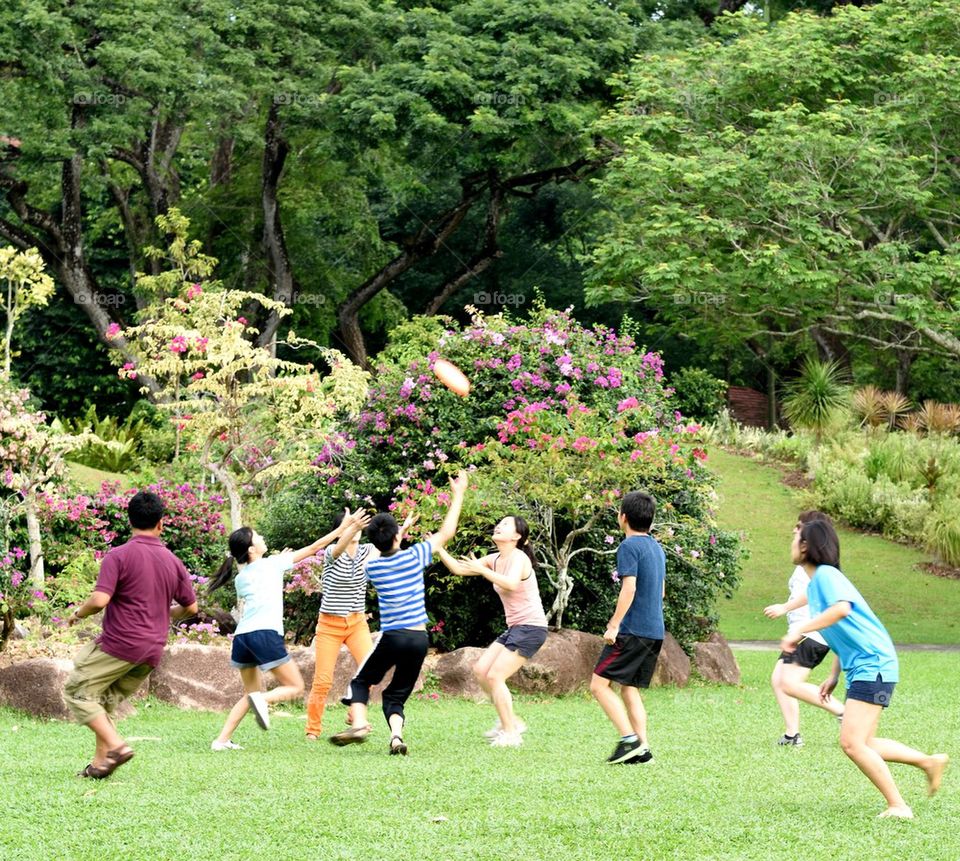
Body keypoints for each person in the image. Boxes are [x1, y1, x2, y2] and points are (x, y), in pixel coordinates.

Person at [781, 519, 949, 818]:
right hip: (866, 665)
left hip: (874, 665)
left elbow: (842, 610)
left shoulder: (826, 576)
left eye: (796, 538)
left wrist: (799, 630)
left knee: (851, 743)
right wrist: (834, 674)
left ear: (806, 546)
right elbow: (845, 628)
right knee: (865, 742)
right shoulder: (820, 582)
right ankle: (928, 762)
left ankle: (898, 805)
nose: (791, 543)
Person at [330, 471, 468, 755]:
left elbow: (382, 550)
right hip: (419, 639)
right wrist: (458, 494)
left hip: (393, 637)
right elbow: (447, 532)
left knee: (360, 681)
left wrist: (390, 532)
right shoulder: (415, 556)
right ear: (397, 536)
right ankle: (396, 737)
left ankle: (359, 723)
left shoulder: (373, 567)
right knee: (395, 694)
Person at [64, 491, 199, 779]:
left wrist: (78, 613)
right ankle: (99, 765)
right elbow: (191, 607)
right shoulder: (173, 561)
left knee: (77, 691)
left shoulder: (119, 555)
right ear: (161, 524)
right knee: (104, 700)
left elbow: (100, 600)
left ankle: (116, 746)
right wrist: (163, 611)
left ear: (130, 520)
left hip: (120, 643)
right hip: (151, 651)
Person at [208, 523, 346, 750]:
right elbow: (314, 548)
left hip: (242, 637)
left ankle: (221, 740)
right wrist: (340, 530)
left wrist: (279, 563)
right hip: (264, 633)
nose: (262, 537)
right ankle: (260, 701)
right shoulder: (272, 565)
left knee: (250, 692)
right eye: (257, 536)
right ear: (251, 549)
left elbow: (261, 580)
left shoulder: (241, 578)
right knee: (295, 687)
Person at [436, 514, 548, 748]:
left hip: (531, 627)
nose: (499, 526)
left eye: (505, 524)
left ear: (517, 536)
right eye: (500, 523)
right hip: (516, 627)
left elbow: (511, 583)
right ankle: (512, 721)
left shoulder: (518, 558)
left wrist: (482, 569)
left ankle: (510, 734)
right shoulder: (495, 559)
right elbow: (459, 569)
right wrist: (439, 549)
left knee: (495, 675)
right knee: (480, 670)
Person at [590, 490, 665, 765]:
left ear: (623, 518)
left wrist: (614, 624)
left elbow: (629, 587)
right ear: (651, 520)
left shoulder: (628, 547)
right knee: (629, 688)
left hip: (633, 630)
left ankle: (629, 740)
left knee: (598, 684)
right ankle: (643, 749)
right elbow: (661, 592)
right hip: (655, 631)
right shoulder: (657, 548)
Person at [763, 510, 844, 746]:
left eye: (799, 527)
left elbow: (813, 593)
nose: (794, 530)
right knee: (779, 680)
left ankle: (843, 712)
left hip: (812, 634)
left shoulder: (819, 568)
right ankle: (792, 734)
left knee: (788, 682)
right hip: (802, 632)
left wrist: (784, 607)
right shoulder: (807, 565)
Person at [304, 508, 379, 740]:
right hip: (329, 624)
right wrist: (351, 526)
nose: (354, 529)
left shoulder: (368, 550)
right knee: (323, 681)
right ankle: (312, 730)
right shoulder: (331, 553)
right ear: (340, 530)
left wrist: (403, 529)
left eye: (356, 525)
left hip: (356, 622)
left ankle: (353, 712)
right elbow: (338, 546)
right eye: (348, 525)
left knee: (372, 670)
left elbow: (387, 547)